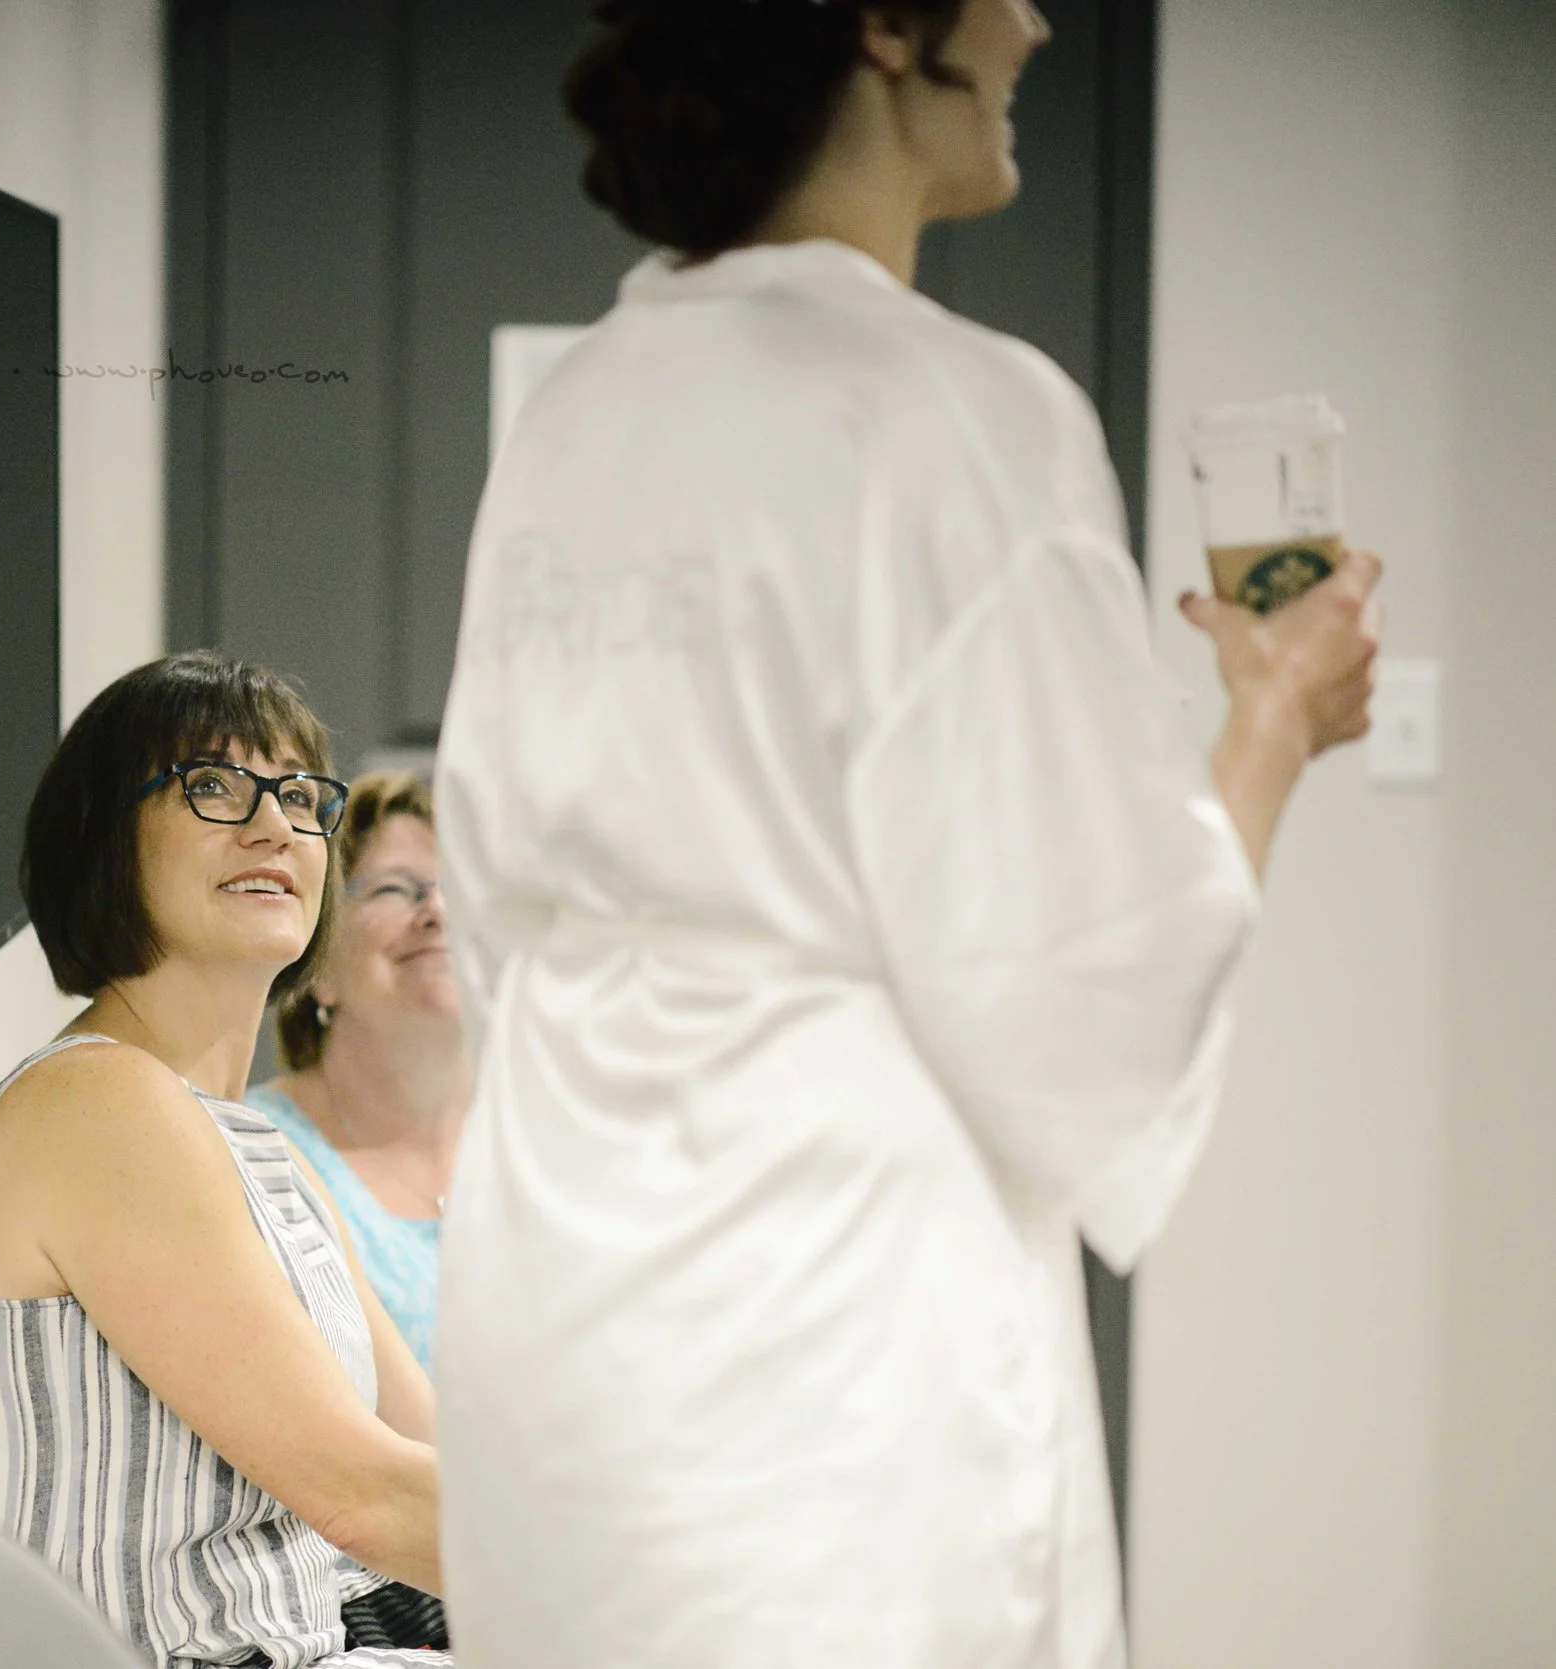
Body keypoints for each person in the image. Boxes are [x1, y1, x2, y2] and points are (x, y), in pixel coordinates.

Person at [429, 3, 1383, 1667]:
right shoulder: (958, 411)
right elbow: (1095, 979)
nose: (1033, 22)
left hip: (560, 1289)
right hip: (829, 1330)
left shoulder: (580, 404)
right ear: (885, 25)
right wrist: (1275, 717)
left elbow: (492, 892)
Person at [0, 650, 452, 1668]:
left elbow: (434, 1449)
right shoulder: (98, 1102)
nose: (274, 825)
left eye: (300, 795)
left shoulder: (256, 1146)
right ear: (103, 840)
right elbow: (365, 1495)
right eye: (213, 784)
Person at [248, 773, 468, 1371]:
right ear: (319, 964)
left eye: (462, 889)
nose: (438, 911)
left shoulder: (552, 1144)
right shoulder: (258, 1155)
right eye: (395, 889)